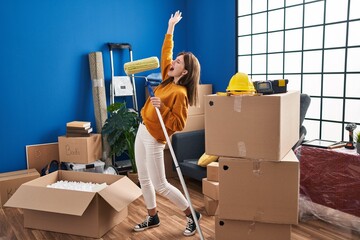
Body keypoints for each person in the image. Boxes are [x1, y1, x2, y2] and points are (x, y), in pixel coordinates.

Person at [133, 10, 201, 237]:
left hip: (155, 138)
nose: (173, 62)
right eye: (175, 60)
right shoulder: (166, 78)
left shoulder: (180, 93)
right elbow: (166, 52)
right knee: (143, 177)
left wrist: (163, 108)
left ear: (185, 71)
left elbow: (179, 123)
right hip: (142, 129)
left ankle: (192, 215)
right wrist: (170, 27)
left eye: (178, 62)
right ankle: (153, 216)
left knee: (160, 184)